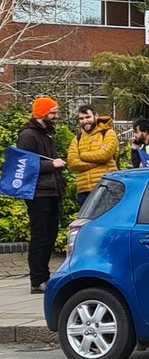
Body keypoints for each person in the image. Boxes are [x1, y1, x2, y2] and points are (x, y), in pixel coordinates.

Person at [17, 98, 66, 294]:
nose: (56, 116)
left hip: (51, 191)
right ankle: (37, 280)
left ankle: (44, 277)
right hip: (39, 193)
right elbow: (23, 165)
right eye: (53, 112)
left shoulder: (47, 134)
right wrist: (51, 165)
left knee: (50, 236)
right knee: (41, 236)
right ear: (42, 113)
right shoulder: (28, 135)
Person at [66, 104, 119, 208]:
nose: (85, 121)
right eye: (81, 118)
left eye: (88, 117)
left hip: (106, 187)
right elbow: (72, 163)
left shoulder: (108, 133)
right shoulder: (77, 138)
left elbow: (105, 155)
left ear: (96, 116)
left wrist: (82, 155)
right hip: (84, 191)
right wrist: (99, 160)